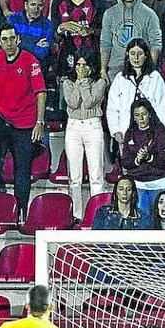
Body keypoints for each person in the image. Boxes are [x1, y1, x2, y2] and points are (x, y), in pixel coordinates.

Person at [0, 23, 47, 218]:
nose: (9, 43)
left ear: (18, 39)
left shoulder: (30, 61)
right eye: (4, 39)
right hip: (2, 118)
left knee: (22, 169)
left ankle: (21, 213)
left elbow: (41, 93)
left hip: (25, 123)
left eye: (12, 39)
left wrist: (39, 123)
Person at [61, 51, 108, 215]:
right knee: (74, 177)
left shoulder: (100, 83)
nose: (80, 68)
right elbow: (73, 103)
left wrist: (83, 82)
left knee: (96, 176)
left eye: (84, 65)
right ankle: (76, 216)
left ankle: (97, 214)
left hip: (92, 125)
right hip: (73, 127)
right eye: (78, 64)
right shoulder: (67, 83)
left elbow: (88, 102)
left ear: (91, 67)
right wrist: (80, 82)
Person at [105, 37, 165, 140]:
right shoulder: (120, 78)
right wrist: (116, 131)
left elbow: (161, 107)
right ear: (127, 55)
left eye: (140, 53)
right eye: (133, 53)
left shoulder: (155, 77)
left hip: (150, 133)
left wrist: (160, 132)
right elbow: (112, 108)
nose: (136, 58)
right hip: (126, 132)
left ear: (146, 55)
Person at [119, 99, 165, 216]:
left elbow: (164, 162)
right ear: (133, 117)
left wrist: (149, 157)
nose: (141, 119)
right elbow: (125, 161)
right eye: (137, 115)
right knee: (141, 221)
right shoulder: (130, 132)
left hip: (159, 183)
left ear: (150, 113)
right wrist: (137, 160)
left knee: (159, 221)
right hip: (138, 184)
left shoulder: (160, 131)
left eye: (144, 114)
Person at [99, 0, 161, 78]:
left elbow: (155, 44)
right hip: (115, 70)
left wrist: (150, 70)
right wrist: (103, 70)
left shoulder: (150, 14)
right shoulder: (109, 14)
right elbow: (105, 44)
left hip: (141, 70)